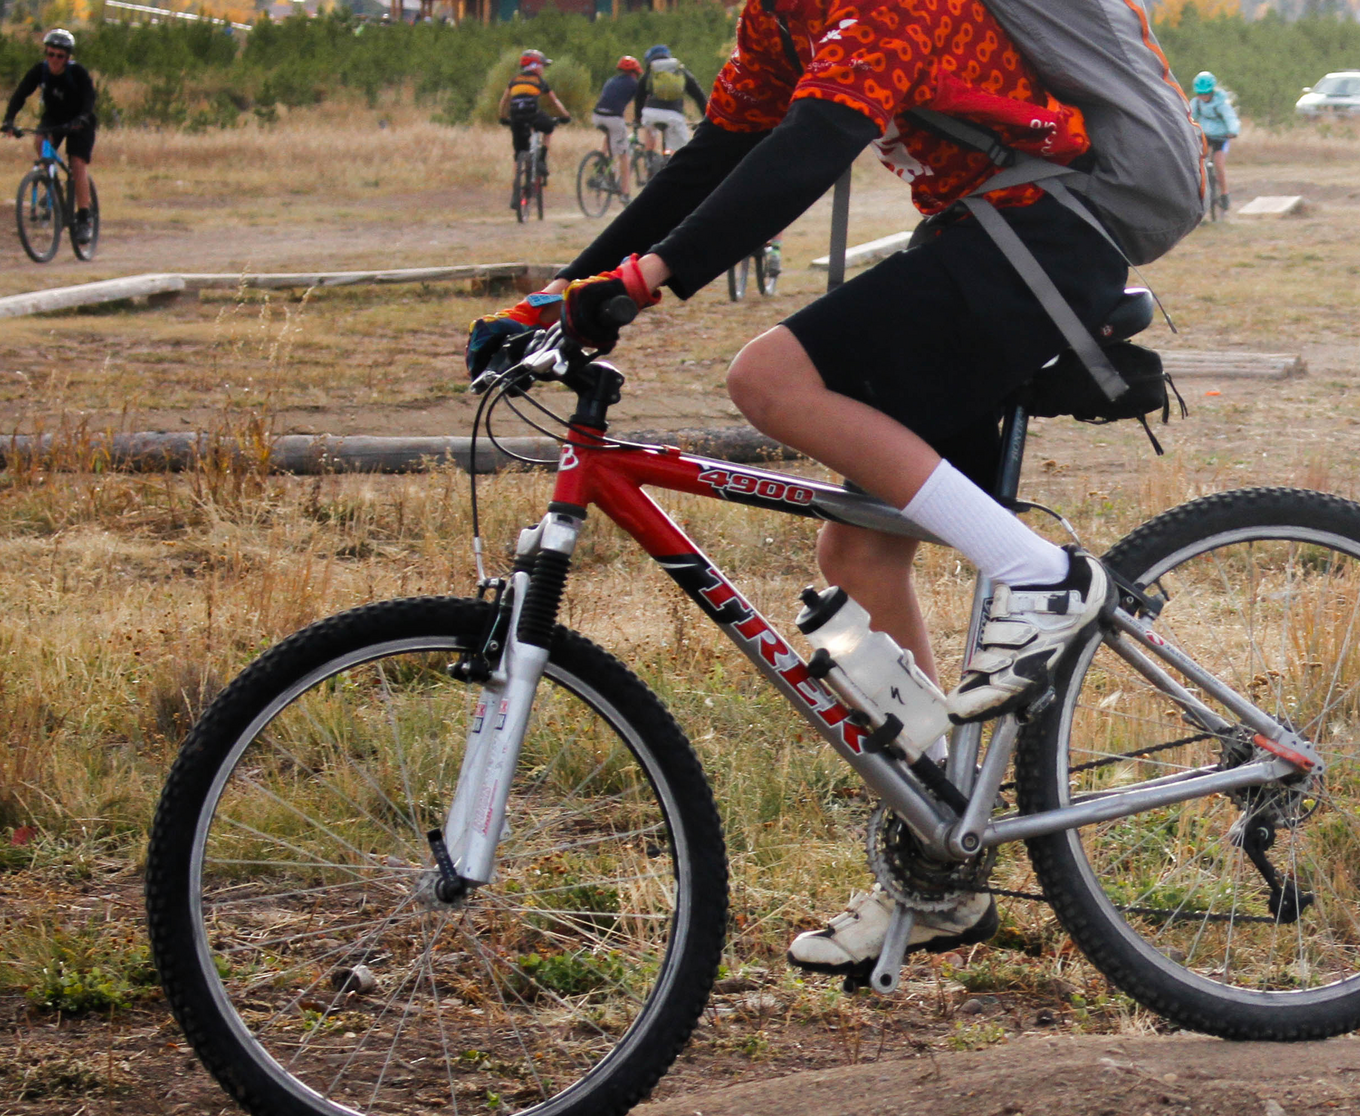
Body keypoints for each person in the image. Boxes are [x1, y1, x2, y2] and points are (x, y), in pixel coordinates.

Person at [466, 0, 1147, 976]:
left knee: (766, 378)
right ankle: (940, 864)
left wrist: (646, 282)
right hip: (984, 238)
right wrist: (561, 295)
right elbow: (721, 155)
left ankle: (1037, 572)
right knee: (858, 554)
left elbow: (812, 149)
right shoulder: (778, 16)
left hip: (1041, 239)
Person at [1, 29, 98, 226]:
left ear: (67, 58)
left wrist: (81, 119)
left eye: (59, 56)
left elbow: (89, 99)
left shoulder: (77, 73)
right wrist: (8, 121)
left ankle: (83, 216)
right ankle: (52, 186)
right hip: (54, 118)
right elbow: (20, 94)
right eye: (50, 54)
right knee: (40, 142)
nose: (54, 59)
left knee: (77, 163)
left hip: (80, 121)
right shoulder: (40, 70)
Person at [498, 49, 572, 205]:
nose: (543, 69)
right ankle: (542, 159)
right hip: (532, 114)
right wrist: (566, 116)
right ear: (535, 66)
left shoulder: (514, 80)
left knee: (519, 154)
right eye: (542, 66)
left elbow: (504, 101)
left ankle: (516, 192)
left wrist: (503, 117)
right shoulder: (539, 81)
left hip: (516, 116)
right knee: (549, 126)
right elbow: (554, 101)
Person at [639, 44, 707, 156]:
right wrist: (706, 117)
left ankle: (649, 159)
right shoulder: (680, 72)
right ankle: (673, 162)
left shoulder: (651, 72)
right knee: (681, 149)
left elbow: (640, 95)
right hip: (674, 116)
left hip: (651, 114)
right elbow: (698, 96)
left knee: (650, 130)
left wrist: (638, 116)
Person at [594, 54, 645, 193]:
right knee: (624, 155)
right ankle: (625, 192)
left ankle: (600, 160)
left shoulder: (611, 80)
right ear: (635, 72)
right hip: (613, 118)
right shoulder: (635, 84)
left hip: (597, 115)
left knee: (610, 134)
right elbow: (641, 104)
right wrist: (641, 119)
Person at [1189, 70, 1238, 210]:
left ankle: (1224, 193)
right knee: (1196, 160)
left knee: (1218, 164)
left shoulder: (1222, 104)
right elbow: (1189, 117)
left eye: (1206, 93)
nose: (1203, 96)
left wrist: (1232, 131)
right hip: (1205, 136)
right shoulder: (1196, 103)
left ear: (1212, 91)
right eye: (1200, 93)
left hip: (1221, 138)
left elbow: (1231, 118)